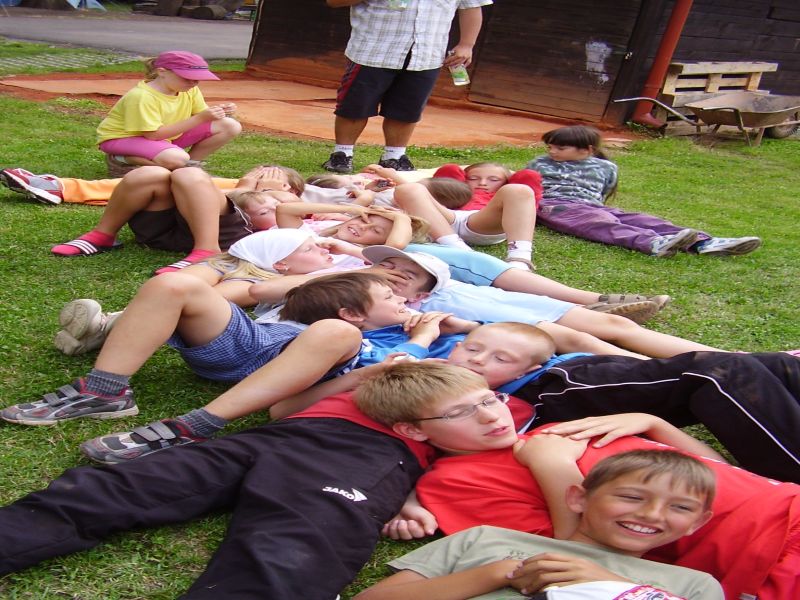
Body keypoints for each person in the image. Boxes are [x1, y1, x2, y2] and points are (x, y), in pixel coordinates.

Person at [0, 237, 372, 436]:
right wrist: (357, 270)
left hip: (304, 359)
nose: (395, 294)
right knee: (173, 284)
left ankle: (200, 423)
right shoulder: (326, 280)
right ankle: (105, 390)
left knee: (337, 330)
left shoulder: (390, 327)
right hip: (257, 339)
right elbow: (260, 292)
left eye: (397, 292)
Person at [444, 321, 800, 483]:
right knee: (719, 372)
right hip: (558, 389)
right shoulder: (431, 363)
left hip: (573, 369)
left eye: (498, 358)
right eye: (473, 350)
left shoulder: (451, 330)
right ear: (458, 348)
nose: (478, 360)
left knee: (772, 365)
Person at [356, 450, 723, 600]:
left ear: (697, 523)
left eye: (680, 507)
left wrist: (612, 587)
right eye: (631, 497)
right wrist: (499, 573)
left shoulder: (694, 585)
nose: (653, 514)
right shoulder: (485, 538)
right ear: (578, 498)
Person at [529, 125, 762, 257]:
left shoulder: (606, 167)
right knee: (598, 222)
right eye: (550, 147)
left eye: (560, 147)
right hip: (556, 205)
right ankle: (653, 243)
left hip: (592, 204)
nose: (552, 151)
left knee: (641, 219)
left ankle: (704, 242)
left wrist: (596, 205)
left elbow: (604, 190)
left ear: (586, 150)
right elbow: (526, 184)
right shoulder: (540, 163)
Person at [323, 0, 492, 174]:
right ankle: (342, 153)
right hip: (373, 50)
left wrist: (467, 44)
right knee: (355, 105)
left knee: (407, 110)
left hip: (426, 55)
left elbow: (471, 6)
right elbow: (334, 2)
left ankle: (394, 156)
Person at [48, 165, 302, 274]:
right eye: (259, 175)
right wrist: (244, 186)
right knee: (151, 174)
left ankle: (207, 251)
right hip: (165, 231)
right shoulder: (231, 186)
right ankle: (103, 235)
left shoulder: (295, 199)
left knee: (190, 174)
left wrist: (262, 190)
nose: (261, 180)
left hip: (229, 235)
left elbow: (293, 208)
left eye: (273, 176)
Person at [96, 51, 241, 175]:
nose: (193, 83)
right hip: (123, 139)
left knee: (230, 125)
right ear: (162, 72)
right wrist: (201, 118)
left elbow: (202, 114)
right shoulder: (142, 96)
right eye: (187, 78)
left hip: (164, 136)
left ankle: (190, 167)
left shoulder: (189, 89)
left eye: (197, 79)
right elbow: (153, 135)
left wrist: (220, 111)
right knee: (177, 158)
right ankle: (120, 159)